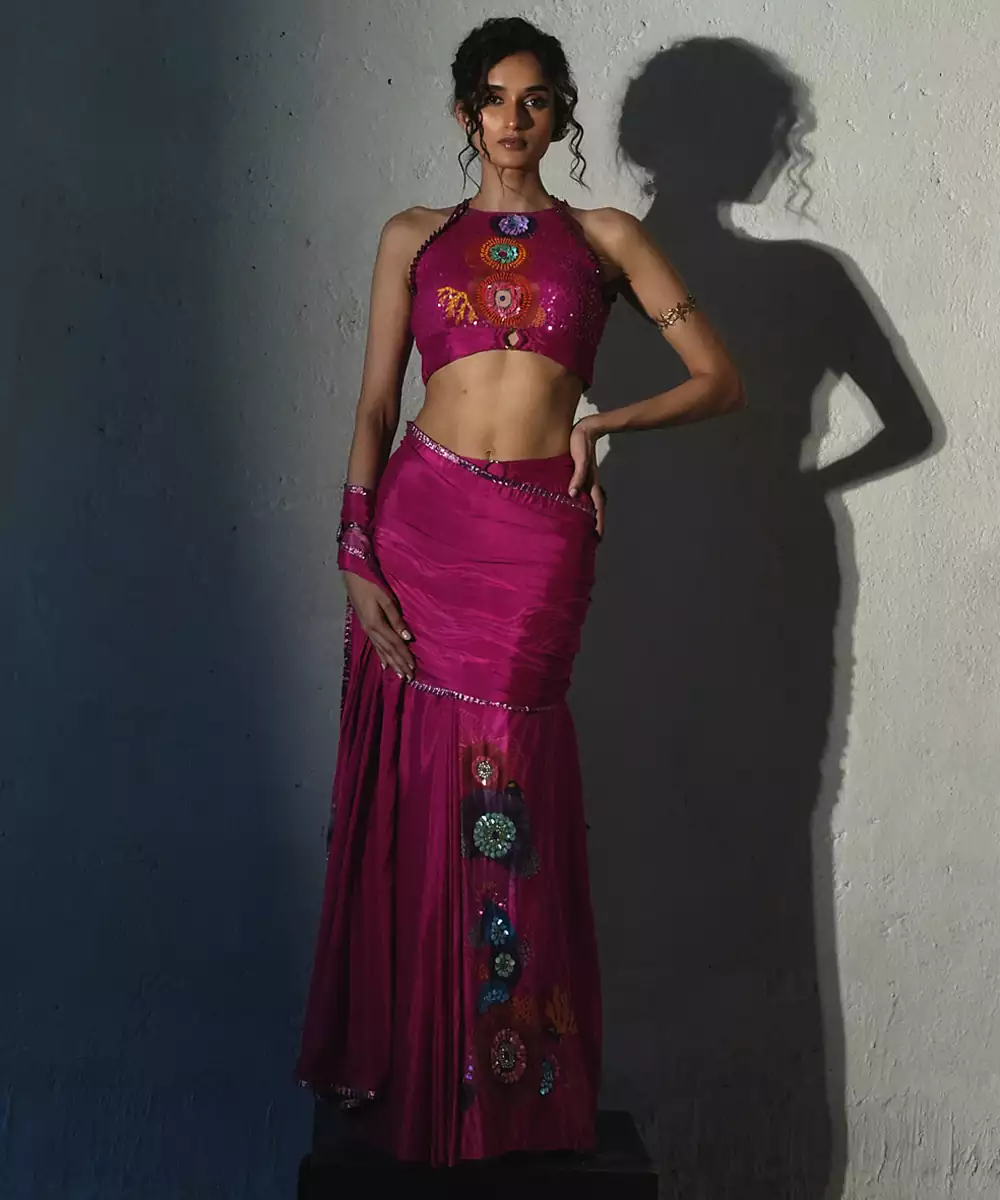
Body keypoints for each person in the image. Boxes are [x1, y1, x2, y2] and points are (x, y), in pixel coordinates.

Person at [295, 15, 744, 1167]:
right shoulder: (413, 236)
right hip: (419, 520)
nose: (512, 117)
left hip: (535, 535)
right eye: (492, 98)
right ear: (463, 113)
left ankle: (510, 1086)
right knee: (420, 784)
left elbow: (718, 379)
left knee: (507, 784)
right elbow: (373, 406)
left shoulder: (604, 239)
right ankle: (417, 1067)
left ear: (559, 116)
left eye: (535, 98)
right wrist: (353, 550)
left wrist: (602, 425)